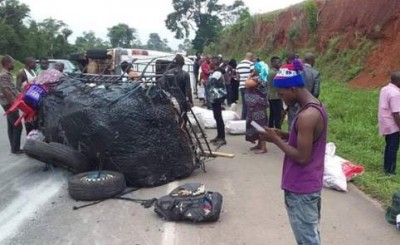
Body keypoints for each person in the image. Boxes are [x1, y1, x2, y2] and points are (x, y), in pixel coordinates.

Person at [260, 64, 327, 245]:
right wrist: (284, 135)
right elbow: (308, 140)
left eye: (282, 94)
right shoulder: (316, 106)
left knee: (307, 240)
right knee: (311, 235)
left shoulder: (307, 116)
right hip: (309, 184)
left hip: (301, 187)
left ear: (293, 89)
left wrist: (275, 140)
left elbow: (302, 157)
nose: (282, 99)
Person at [0, 55, 23, 154]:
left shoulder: (5, 74)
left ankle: (14, 148)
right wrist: (14, 105)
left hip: (7, 103)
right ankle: (16, 149)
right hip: (9, 104)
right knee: (18, 126)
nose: (14, 64)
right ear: (7, 63)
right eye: (12, 63)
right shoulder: (4, 75)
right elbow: (6, 91)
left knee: (11, 126)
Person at [378, 71, 400, 176]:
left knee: (389, 146)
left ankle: (387, 167)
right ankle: (390, 171)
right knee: (393, 147)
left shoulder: (385, 89)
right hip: (393, 124)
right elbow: (396, 113)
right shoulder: (396, 93)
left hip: (385, 122)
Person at [245, 61, 269, 154]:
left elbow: (247, 84)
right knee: (256, 124)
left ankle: (263, 147)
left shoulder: (258, 79)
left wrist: (250, 76)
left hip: (257, 105)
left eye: (255, 68)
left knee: (259, 125)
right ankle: (260, 144)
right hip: (256, 105)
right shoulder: (261, 78)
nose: (253, 70)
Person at [207, 62, 227, 146]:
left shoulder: (217, 73)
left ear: (215, 66)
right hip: (215, 96)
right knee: (216, 117)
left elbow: (211, 82)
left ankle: (222, 138)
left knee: (218, 117)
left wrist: (207, 82)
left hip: (217, 97)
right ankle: (219, 136)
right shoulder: (216, 73)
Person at [237, 52, 254, 119]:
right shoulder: (251, 64)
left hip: (241, 86)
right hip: (249, 86)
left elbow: (237, 77)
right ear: (251, 57)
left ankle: (243, 118)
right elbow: (253, 74)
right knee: (249, 103)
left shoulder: (239, 65)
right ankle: (248, 118)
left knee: (244, 103)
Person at [267, 56, 283, 129]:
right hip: (276, 96)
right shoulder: (275, 73)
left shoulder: (270, 71)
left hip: (271, 96)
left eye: (280, 62)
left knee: (272, 114)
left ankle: (270, 128)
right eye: (278, 62)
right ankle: (278, 130)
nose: (280, 64)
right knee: (277, 115)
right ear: (272, 63)